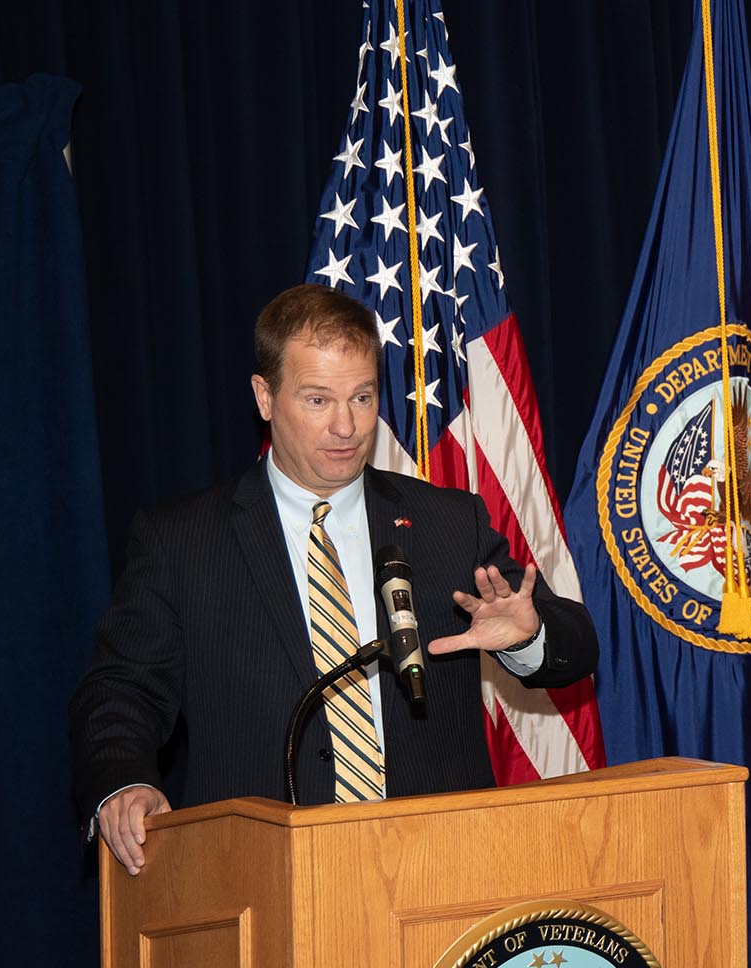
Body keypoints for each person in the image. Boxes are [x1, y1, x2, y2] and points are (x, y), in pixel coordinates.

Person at [71, 284, 596, 874]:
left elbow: (575, 648)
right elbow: (120, 693)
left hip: (441, 873)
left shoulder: (449, 523)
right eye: (318, 400)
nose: (346, 426)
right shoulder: (183, 541)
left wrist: (529, 637)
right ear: (264, 397)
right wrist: (124, 785)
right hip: (263, 878)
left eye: (362, 397)